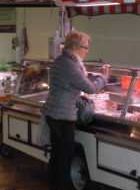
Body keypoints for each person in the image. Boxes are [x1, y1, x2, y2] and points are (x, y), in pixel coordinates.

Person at [41, 30, 110, 190]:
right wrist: (104, 76)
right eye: (86, 47)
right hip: (63, 116)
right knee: (65, 157)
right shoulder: (71, 65)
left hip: (52, 113)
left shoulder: (60, 60)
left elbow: (76, 83)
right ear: (77, 47)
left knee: (56, 155)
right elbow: (91, 88)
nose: (88, 51)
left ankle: (54, 186)